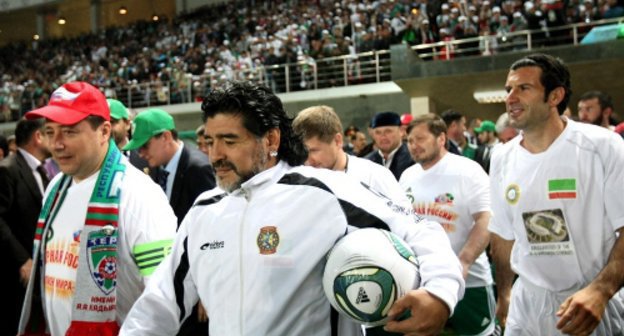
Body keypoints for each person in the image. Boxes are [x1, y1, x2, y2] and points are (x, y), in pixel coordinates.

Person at [120, 81, 465, 336]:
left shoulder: (324, 192)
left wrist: (439, 293)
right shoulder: (204, 211)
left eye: (230, 140)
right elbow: (161, 302)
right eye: (210, 141)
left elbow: (420, 230)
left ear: (270, 140)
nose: (215, 155)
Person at [17, 81, 177, 336]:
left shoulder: (140, 195)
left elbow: (164, 298)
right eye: (49, 132)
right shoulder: (56, 186)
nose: (57, 144)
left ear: (104, 132)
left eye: (69, 132)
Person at [489, 54, 624, 335]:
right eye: (508, 89)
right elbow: (502, 236)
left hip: (588, 303)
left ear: (555, 96)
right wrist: (504, 293)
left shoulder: (604, 147)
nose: (510, 97)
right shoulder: (501, 157)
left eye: (523, 88)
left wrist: (601, 290)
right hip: (527, 303)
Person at [399, 114, 497, 336]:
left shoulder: (467, 171)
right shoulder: (407, 176)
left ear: (441, 138)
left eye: (420, 139)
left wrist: (464, 261)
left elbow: (486, 219)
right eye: (410, 141)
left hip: (470, 282)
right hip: (422, 283)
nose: (414, 146)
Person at [293, 105, 409, 208]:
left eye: (314, 150)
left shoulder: (374, 176)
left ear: (337, 141)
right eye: (302, 152)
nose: (308, 160)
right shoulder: (301, 181)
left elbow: (408, 223)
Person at [123, 108, 216, 227]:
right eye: (138, 148)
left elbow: (210, 223)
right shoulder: (156, 167)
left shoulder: (199, 169)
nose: (140, 153)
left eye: (144, 146)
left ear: (166, 137)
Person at [0, 118, 50, 335]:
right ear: (38, 137)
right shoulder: (7, 170)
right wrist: (22, 260)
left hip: (40, 272)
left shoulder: (43, 171)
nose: (57, 140)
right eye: (50, 132)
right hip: (15, 275)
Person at [364, 111, 414, 180]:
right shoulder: (366, 163)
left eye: (388, 131)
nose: (383, 137)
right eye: (378, 133)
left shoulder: (413, 158)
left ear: (401, 131)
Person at [107, 98, 152, 175]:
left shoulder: (148, 155)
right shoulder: (90, 161)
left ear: (127, 124)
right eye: (101, 123)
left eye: (112, 122)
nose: (106, 128)